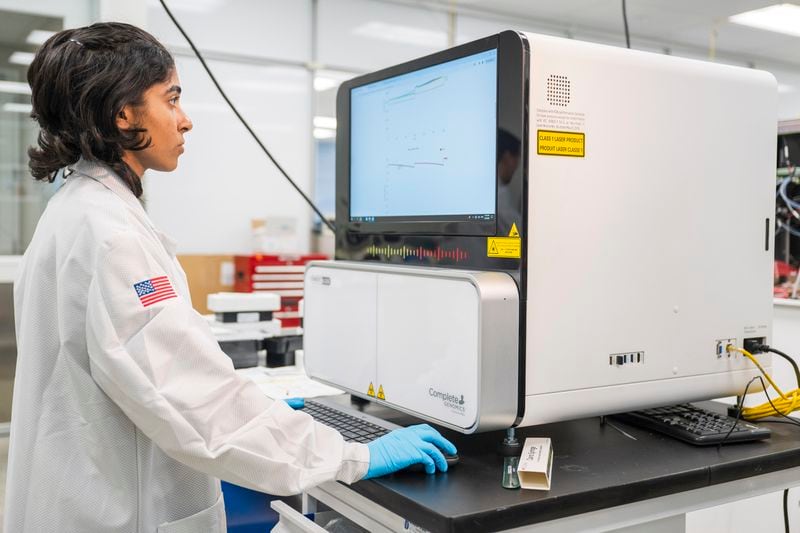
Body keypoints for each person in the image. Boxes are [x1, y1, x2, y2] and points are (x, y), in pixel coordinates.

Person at [7, 22, 456, 532]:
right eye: (171, 99)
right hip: (118, 510)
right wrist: (353, 453)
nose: (186, 120)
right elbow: (193, 402)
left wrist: (263, 411)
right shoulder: (111, 235)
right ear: (123, 113)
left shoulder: (75, 210)